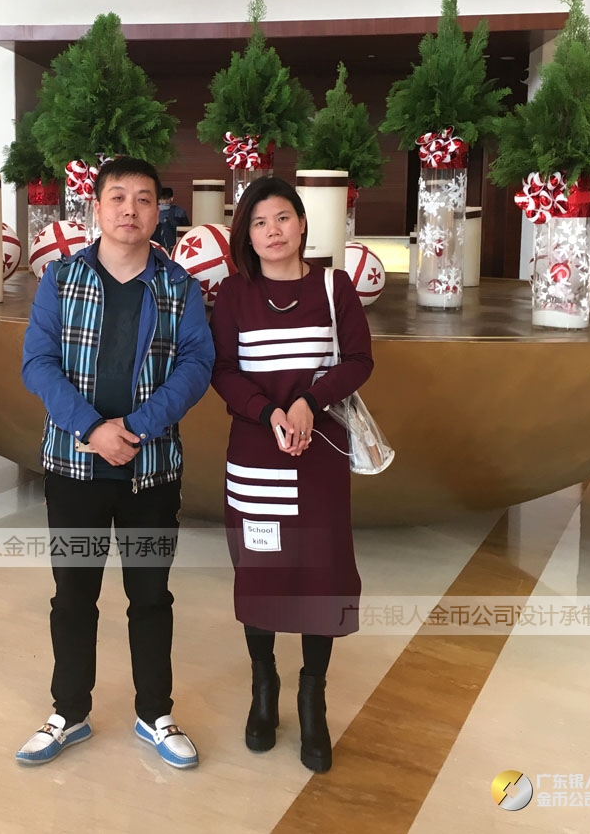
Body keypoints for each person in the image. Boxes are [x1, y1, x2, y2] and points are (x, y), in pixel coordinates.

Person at [18, 157, 214, 769]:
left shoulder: (179, 287)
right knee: (73, 596)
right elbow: (37, 363)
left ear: (159, 211)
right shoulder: (61, 279)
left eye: (144, 199)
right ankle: (69, 712)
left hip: (150, 474)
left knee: (150, 595)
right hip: (74, 471)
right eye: (118, 197)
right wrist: (92, 429)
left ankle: (155, 714)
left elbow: (196, 366)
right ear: (97, 207)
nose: (130, 209)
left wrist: (135, 427)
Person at [209, 177, 373, 773]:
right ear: (246, 236)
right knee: (261, 573)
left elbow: (359, 360)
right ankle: (264, 689)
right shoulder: (233, 294)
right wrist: (268, 412)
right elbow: (224, 371)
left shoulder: (334, 287)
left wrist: (308, 402)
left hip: (319, 455)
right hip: (257, 457)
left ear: (302, 223)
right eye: (258, 222)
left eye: (282, 218)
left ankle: (312, 700)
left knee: (319, 574)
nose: (272, 231)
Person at [151, 186, 190, 252]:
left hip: (155, 249)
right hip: (175, 249)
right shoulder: (179, 211)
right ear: (171, 199)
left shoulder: (151, 212)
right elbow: (186, 230)